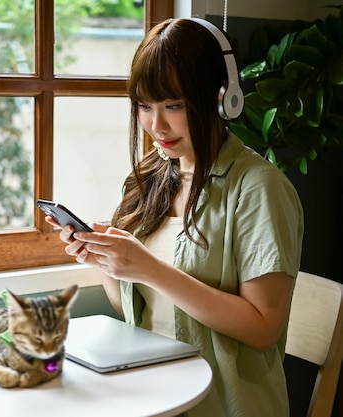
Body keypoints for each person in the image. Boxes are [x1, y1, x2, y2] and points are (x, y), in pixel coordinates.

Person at [46, 18, 303, 416]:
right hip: (153, 397)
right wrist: (105, 262)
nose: (155, 125)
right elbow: (134, 306)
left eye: (174, 106)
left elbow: (263, 328)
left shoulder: (258, 188)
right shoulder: (150, 175)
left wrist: (149, 268)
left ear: (221, 99)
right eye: (145, 106)